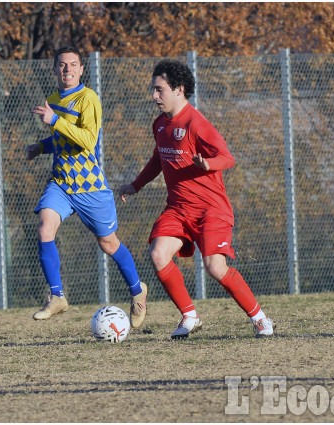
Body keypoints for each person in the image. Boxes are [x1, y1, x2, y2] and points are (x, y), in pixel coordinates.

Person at [118, 60, 275, 339]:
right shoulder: (160, 125)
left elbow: (228, 158)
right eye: (153, 90)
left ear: (179, 90)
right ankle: (190, 316)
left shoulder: (197, 123)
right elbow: (158, 158)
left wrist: (208, 164)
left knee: (215, 267)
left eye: (159, 90)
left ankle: (260, 318)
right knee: (158, 254)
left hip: (211, 210)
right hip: (178, 209)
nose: (154, 96)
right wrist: (136, 185)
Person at [27, 46, 148, 327]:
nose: (67, 69)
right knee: (45, 227)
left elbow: (87, 140)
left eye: (73, 64)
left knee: (108, 243)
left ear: (82, 70)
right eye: (62, 64)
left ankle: (137, 290)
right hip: (61, 182)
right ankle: (57, 296)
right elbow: (62, 139)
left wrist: (54, 121)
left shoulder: (88, 98)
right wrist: (41, 147)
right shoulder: (53, 98)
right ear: (54, 69)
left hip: (89, 185)